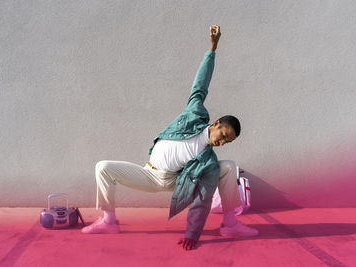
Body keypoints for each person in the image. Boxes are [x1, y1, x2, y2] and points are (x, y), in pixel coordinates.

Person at [81, 25, 259, 250]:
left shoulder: (208, 161)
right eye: (223, 135)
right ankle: (108, 221)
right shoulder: (195, 114)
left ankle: (230, 224)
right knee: (103, 167)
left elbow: (203, 199)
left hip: (174, 181)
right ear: (215, 124)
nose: (221, 142)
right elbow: (200, 86)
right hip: (148, 173)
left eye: (227, 142)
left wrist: (192, 235)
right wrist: (212, 50)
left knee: (228, 166)